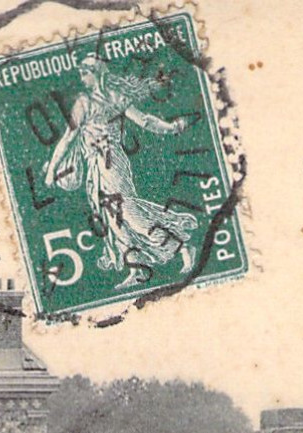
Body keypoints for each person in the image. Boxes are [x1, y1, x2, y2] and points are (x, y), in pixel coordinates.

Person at [42, 52, 198, 288]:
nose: (82, 78)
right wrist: (173, 127)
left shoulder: (94, 101)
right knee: (113, 219)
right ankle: (137, 269)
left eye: (85, 73)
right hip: (96, 165)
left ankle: (181, 247)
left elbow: (144, 120)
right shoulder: (101, 99)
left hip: (111, 163)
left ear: (97, 74)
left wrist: (52, 171)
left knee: (130, 214)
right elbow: (71, 136)